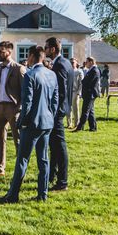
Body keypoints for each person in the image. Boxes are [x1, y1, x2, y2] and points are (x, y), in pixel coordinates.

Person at [1, 46, 58, 203]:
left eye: (29, 55)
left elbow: (27, 101)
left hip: (32, 123)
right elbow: (55, 101)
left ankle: (13, 195)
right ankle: (42, 194)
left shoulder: (30, 75)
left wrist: (22, 121)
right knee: (43, 160)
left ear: (32, 56)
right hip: (47, 122)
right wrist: (50, 117)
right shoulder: (52, 75)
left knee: (22, 160)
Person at [0, 41, 26, 180]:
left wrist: (19, 107)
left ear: (9, 52)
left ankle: (21, 169)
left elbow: (25, 91)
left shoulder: (19, 68)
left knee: (18, 139)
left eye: (2, 52)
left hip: (13, 108)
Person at [45, 37, 73, 192]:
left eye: (46, 47)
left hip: (57, 110)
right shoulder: (65, 62)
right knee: (54, 145)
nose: (45, 50)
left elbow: (61, 91)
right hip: (61, 109)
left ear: (53, 49)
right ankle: (52, 175)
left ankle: (62, 181)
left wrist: (53, 110)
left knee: (59, 146)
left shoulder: (60, 65)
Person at [74, 56, 100, 132]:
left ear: (91, 62)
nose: (86, 63)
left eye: (87, 62)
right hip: (89, 93)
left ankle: (79, 128)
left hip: (90, 93)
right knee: (90, 111)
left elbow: (88, 82)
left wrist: (83, 81)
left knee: (85, 111)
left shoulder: (94, 70)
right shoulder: (92, 70)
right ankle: (93, 127)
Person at [67, 58, 83, 129]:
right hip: (68, 92)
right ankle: (69, 123)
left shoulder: (79, 72)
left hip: (75, 92)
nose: (71, 63)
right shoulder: (68, 71)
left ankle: (76, 123)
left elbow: (81, 83)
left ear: (76, 63)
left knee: (75, 108)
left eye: (73, 62)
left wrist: (79, 93)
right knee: (68, 109)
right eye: (70, 62)